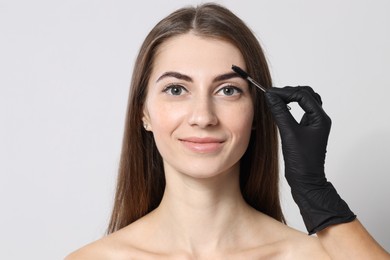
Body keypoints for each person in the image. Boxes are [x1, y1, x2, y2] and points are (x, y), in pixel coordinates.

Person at [67, 3, 389, 259]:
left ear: (256, 111)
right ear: (143, 113)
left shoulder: (315, 256)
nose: (203, 117)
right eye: (177, 89)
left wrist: (314, 191)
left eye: (228, 91)